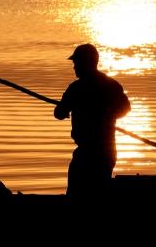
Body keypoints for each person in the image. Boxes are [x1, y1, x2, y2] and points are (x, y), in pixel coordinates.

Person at [54, 44, 130, 198]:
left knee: (76, 194)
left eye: (76, 62)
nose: (74, 67)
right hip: (107, 153)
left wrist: (66, 108)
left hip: (87, 153)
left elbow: (59, 113)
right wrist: (109, 115)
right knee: (98, 194)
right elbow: (126, 108)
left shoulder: (76, 88)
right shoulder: (112, 85)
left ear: (86, 62)